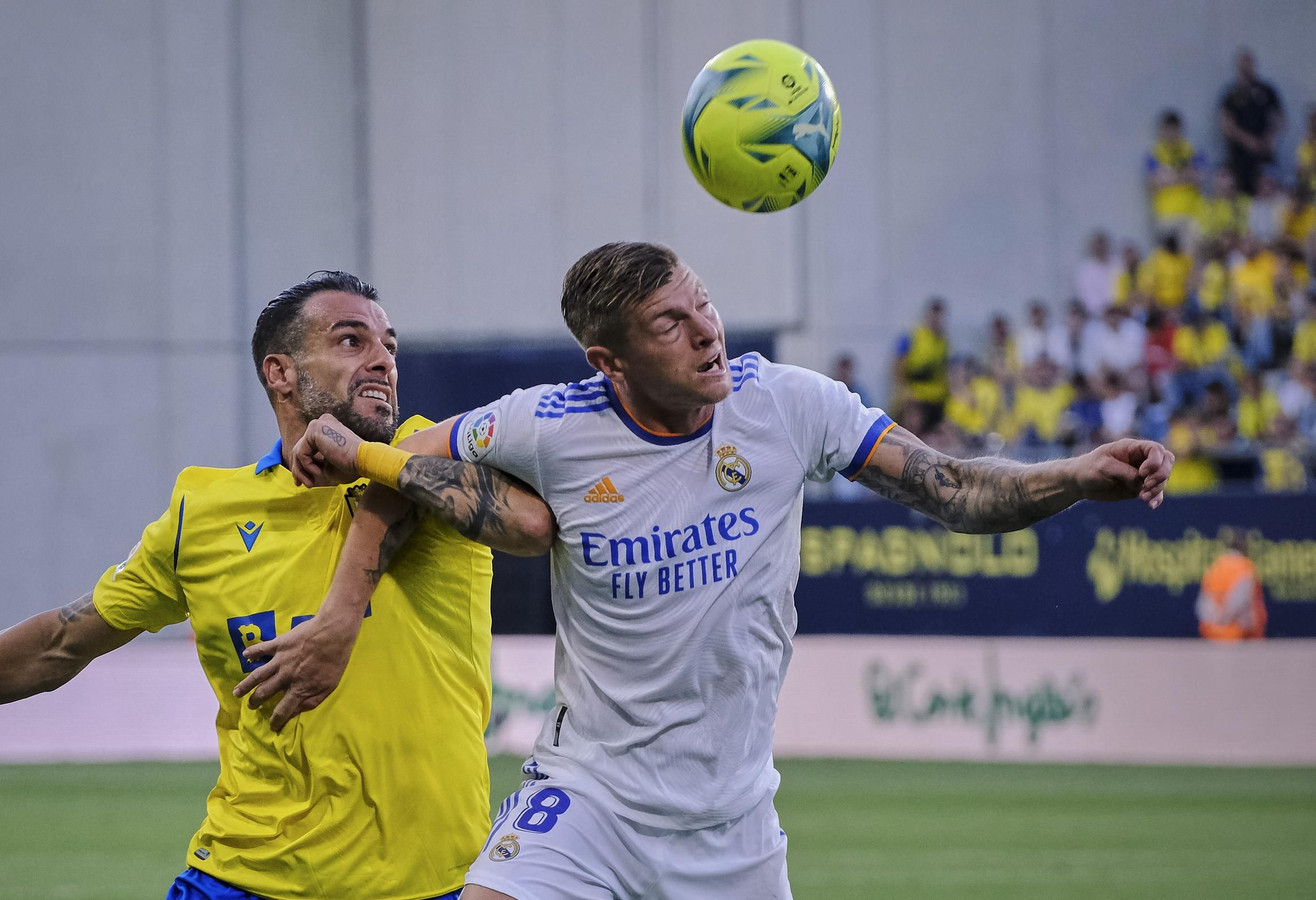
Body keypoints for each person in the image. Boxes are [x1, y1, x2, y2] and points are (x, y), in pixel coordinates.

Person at [256, 241, 1174, 900]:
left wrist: (1077, 477)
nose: (708, 334)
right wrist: (344, 605)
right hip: (590, 802)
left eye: (705, 307)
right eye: (672, 323)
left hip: (734, 830)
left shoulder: (788, 404)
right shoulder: (546, 423)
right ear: (609, 361)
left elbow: (955, 488)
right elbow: (405, 470)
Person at [0, 272, 559, 900]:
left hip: (424, 884)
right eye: (350, 340)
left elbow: (527, 524)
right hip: (240, 875)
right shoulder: (203, 512)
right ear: (280, 371)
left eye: (388, 345)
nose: (381, 361)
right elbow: (60, 642)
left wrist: (365, 457)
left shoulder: (424, 460)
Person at [1219, 49, 1284, 197]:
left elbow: (1279, 118)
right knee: (1243, 196)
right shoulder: (1231, 94)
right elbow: (1226, 124)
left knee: (1269, 195)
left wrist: (1269, 138)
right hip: (1241, 157)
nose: (1246, 68)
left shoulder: (1267, 91)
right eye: (1242, 64)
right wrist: (1247, 140)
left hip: (1264, 155)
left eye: (1248, 64)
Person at [1195, 530, 1267, 641]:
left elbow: (1203, 603)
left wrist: (1216, 621)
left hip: (1213, 632)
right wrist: (1225, 619)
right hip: (1239, 633)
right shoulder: (1244, 567)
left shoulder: (1215, 567)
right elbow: (1240, 600)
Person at [892, 296, 950, 436]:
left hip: (937, 397)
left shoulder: (943, 340)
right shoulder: (913, 335)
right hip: (916, 394)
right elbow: (898, 365)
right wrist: (903, 390)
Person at [1146, 110, 1205, 240]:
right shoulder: (1154, 153)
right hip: (1166, 216)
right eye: (1168, 130)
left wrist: (1169, 176)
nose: (1171, 134)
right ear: (1162, 130)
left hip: (1192, 214)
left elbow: (1199, 178)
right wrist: (1185, 175)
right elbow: (1153, 183)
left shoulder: (1193, 150)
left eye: (1174, 130)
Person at [1074, 231, 1120, 315]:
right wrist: (1104, 310)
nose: (1100, 248)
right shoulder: (1085, 269)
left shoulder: (1118, 263)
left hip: (1121, 312)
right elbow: (1087, 297)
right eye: (1097, 245)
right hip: (1097, 316)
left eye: (1102, 244)